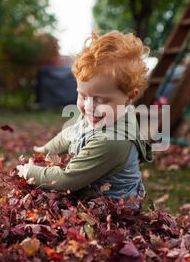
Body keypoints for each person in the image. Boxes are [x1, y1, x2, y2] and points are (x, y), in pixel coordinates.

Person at [16, 31, 153, 209]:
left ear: (129, 98)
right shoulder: (99, 115)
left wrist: (29, 171)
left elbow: (67, 179)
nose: (89, 106)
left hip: (112, 214)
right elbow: (71, 134)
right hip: (90, 201)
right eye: (82, 95)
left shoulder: (113, 141)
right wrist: (46, 149)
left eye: (101, 100)